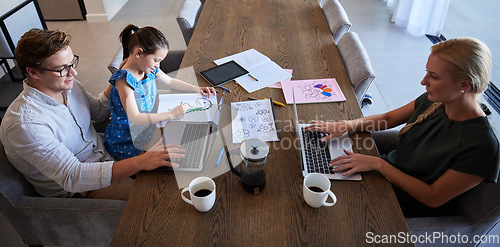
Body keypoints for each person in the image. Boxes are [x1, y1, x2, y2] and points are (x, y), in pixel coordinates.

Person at [305, 37, 500, 217]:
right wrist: (346, 125)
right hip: (383, 177)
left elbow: (433, 197)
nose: (423, 82)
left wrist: (378, 164)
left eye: (434, 76)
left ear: (464, 84)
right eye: (426, 73)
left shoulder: (483, 145)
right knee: (309, 174)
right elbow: (389, 117)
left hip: (402, 205)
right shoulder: (437, 100)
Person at [0, 28, 186, 200]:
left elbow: (100, 112)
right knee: (165, 195)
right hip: (82, 188)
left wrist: (121, 79)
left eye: (72, 62)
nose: (74, 72)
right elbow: (73, 176)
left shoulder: (69, 86)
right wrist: (141, 162)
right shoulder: (25, 124)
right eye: (62, 68)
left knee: (183, 167)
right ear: (33, 72)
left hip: (107, 155)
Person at [104, 24, 216, 159]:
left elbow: (170, 81)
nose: (158, 66)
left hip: (149, 127)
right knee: (169, 159)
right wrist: (171, 114)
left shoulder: (148, 67)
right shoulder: (124, 80)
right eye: (156, 60)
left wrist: (196, 89)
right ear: (139, 53)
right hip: (128, 138)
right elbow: (135, 118)